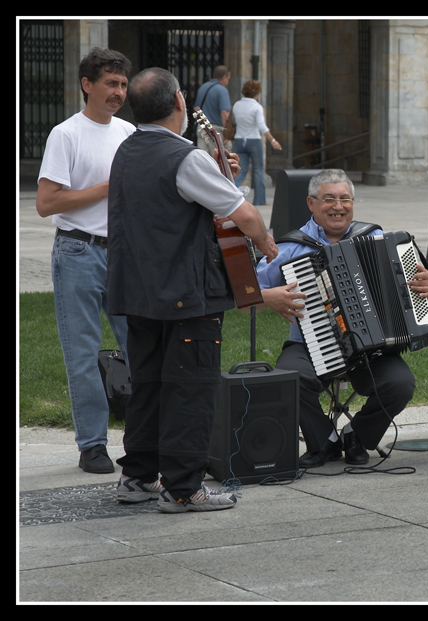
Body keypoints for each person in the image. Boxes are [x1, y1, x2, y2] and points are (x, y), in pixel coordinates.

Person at [106, 67, 278, 513]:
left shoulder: (126, 151)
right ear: (180, 102)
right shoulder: (183, 156)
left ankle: (137, 476)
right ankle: (183, 488)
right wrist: (265, 244)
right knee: (189, 389)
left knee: (148, 386)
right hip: (185, 295)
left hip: (138, 293)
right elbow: (245, 216)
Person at [253, 169, 428, 468]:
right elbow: (246, 294)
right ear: (311, 204)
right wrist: (270, 297)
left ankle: (358, 436)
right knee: (289, 378)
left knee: (401, 383)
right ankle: (323, 441)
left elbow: (414, 282)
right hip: (309, 345)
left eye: (344, 199)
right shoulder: (289, 248)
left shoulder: (376, 238)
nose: (338, 206)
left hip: (371, 348)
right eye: (329, 199)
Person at [36, 47, 135, 474]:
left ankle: (142, 442)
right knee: (82, 353)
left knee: (141, 348)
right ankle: (92, 445)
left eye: (124, 85)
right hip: (77, 250)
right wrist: (106, 188)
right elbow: (46, 202)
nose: (118, 92)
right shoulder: (66, 134)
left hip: (126, 254)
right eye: (110, 83)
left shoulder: (130, 131)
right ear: (87, 84)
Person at [231, 79, 282, 205]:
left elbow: (233, 121)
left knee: (240, 170)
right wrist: (273, 140)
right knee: (258, 170)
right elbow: (261, 126)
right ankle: (260, 200)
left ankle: (231, 193)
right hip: (254, 140)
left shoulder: (237, 105)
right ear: (257, 93)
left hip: (239, 140)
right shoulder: (256, 107)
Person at [194, 65, 232, 151]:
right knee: (221, 159)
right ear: (224, 77)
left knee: (203, 160)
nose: (228, 81)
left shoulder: (202, 87)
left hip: (201, 127)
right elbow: (224, 113)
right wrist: (226, 133)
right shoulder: (222, 90)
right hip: (215, 129)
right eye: (228, 78)